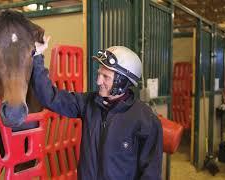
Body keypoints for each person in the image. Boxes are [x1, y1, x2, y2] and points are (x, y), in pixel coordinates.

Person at [31, 36, 163, 180]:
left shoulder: (145, 119)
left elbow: (151, 174)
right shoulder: (88, 103)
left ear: (123, 81)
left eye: (106, 77)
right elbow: (49, 97)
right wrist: (37, 56)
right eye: (99, 74)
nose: (98, 81)